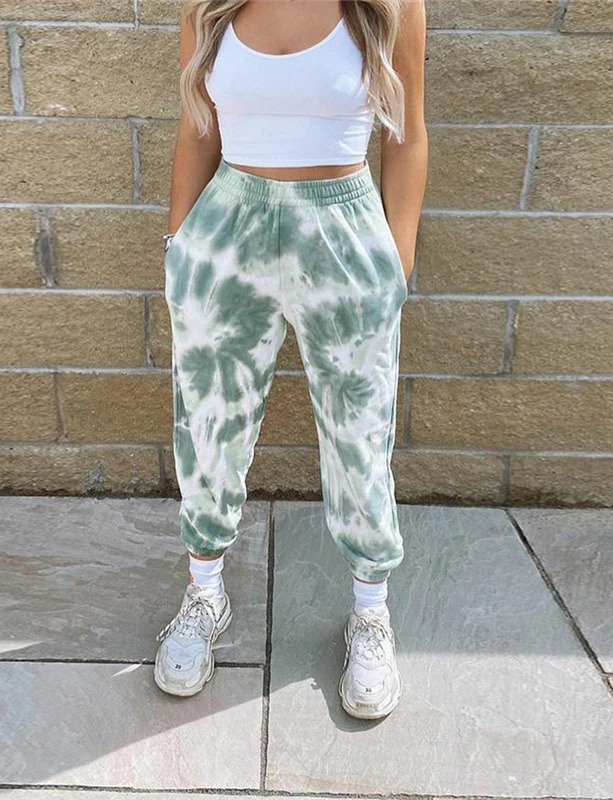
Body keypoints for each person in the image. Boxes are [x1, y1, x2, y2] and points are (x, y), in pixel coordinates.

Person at [154, 0, 428, 720]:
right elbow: (197, 128)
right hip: (227, 230)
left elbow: (407, 136)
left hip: (344, 229)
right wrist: (179, 246)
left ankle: (370, 612)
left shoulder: (390, 6)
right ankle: (204, 596)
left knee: (359, 429)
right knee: (208, 422)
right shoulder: (207, 6)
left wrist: (395, 265)